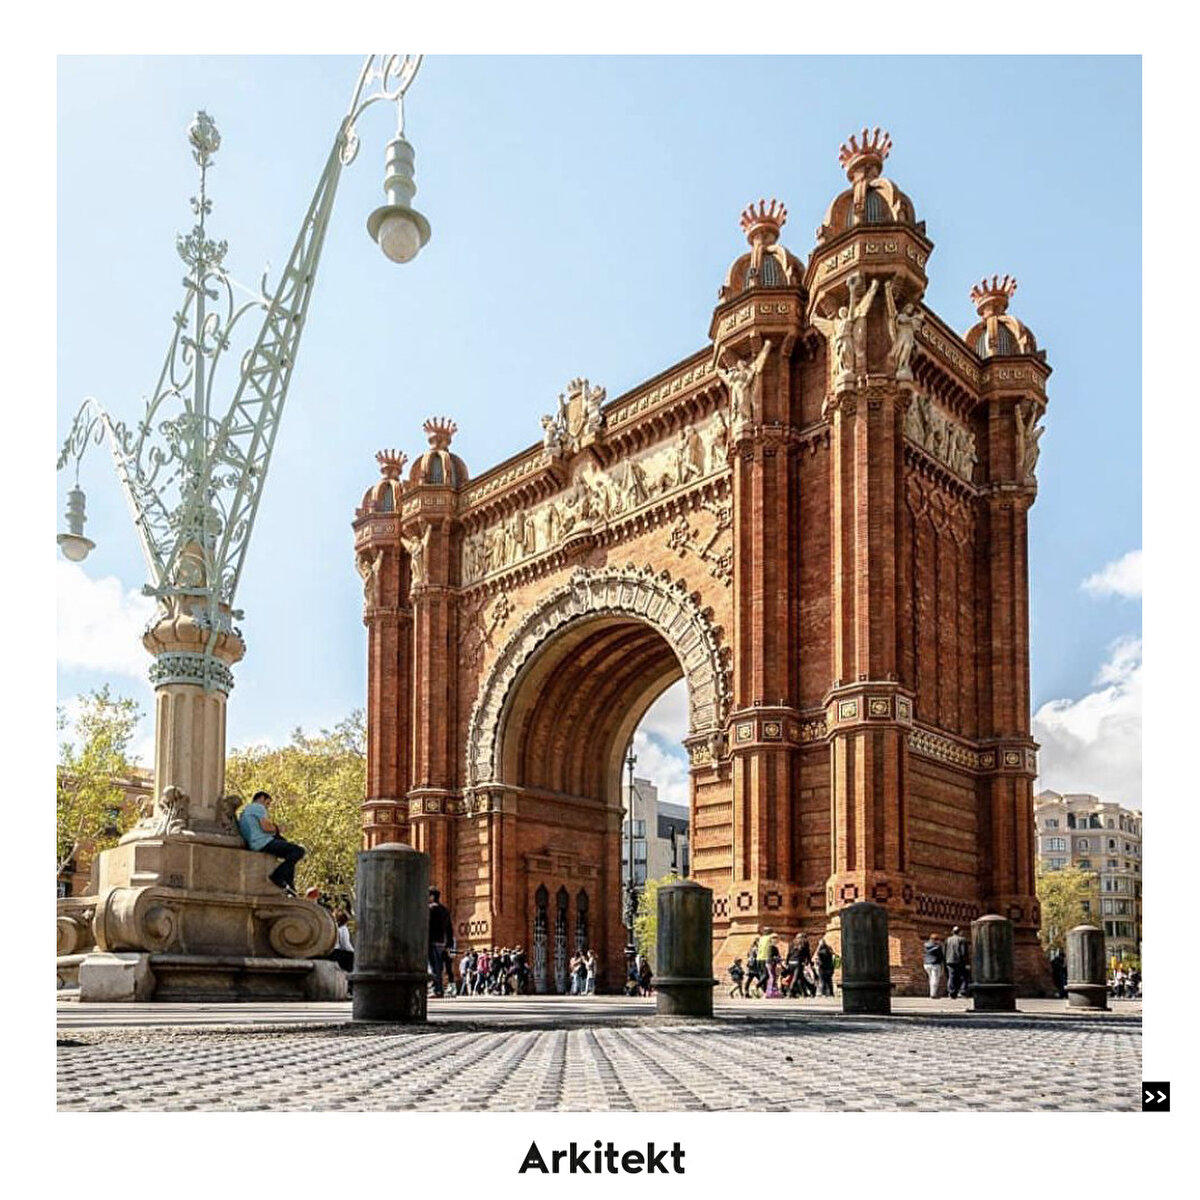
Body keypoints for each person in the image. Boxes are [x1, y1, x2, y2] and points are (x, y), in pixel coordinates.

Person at [237, 791, 305, 896]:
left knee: (287, 847)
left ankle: (289, 885)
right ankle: (278, 876)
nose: (267, 807)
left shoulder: (245, 811)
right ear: (261, 798)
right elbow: (266, 827)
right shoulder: (257, 807)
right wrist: (278, 828)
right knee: (298, 850)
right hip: (263, 842)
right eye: (267, 803)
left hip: (256, 843)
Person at [428, 887, 455, 997]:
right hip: (442, 942)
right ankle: (439, 989)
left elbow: (427, 926)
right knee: (439, 966)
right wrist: (449, 943)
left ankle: (436, 989)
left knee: (434, 967)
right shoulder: (445, 910)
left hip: (432, 941)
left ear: (432, 896)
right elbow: (450, 928)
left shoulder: (430, 909)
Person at [945, 926, 969, 999]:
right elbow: (963, 952)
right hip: (959, 961)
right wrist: (967, 962)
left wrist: (946, 960)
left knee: (951, 976)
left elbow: (945, 950)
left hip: (949, 960)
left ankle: (951, 992)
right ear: (960, 932)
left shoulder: (948, 940)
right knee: (964, 976)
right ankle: (962, 991)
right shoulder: (962, 940)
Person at [330, 910, 354, 975]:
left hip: (332, 952)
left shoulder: (336, 927)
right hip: (337, 952)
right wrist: (353, 951)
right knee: (351, 956)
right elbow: (345, 945)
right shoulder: (343, 929)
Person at [923, 933, 946, 998]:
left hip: (926, 964)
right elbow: (941, 956)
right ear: (936, 940)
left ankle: (932, 992)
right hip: (935, 964)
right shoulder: (938, 946)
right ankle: (933, 994)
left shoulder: (925, 945)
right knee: (935, 979)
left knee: (931, 978)